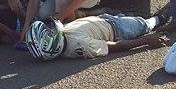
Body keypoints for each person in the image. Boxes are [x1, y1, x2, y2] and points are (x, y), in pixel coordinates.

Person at [26, 13, 168, 61]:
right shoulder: (82, 47)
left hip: (102, 19)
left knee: (130, 16)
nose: (51, 28)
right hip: (117, 29)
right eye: (49, 31)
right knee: (145, 24)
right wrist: (146, 40)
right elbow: (115, 46)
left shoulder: (62, 38)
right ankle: (161, 17)